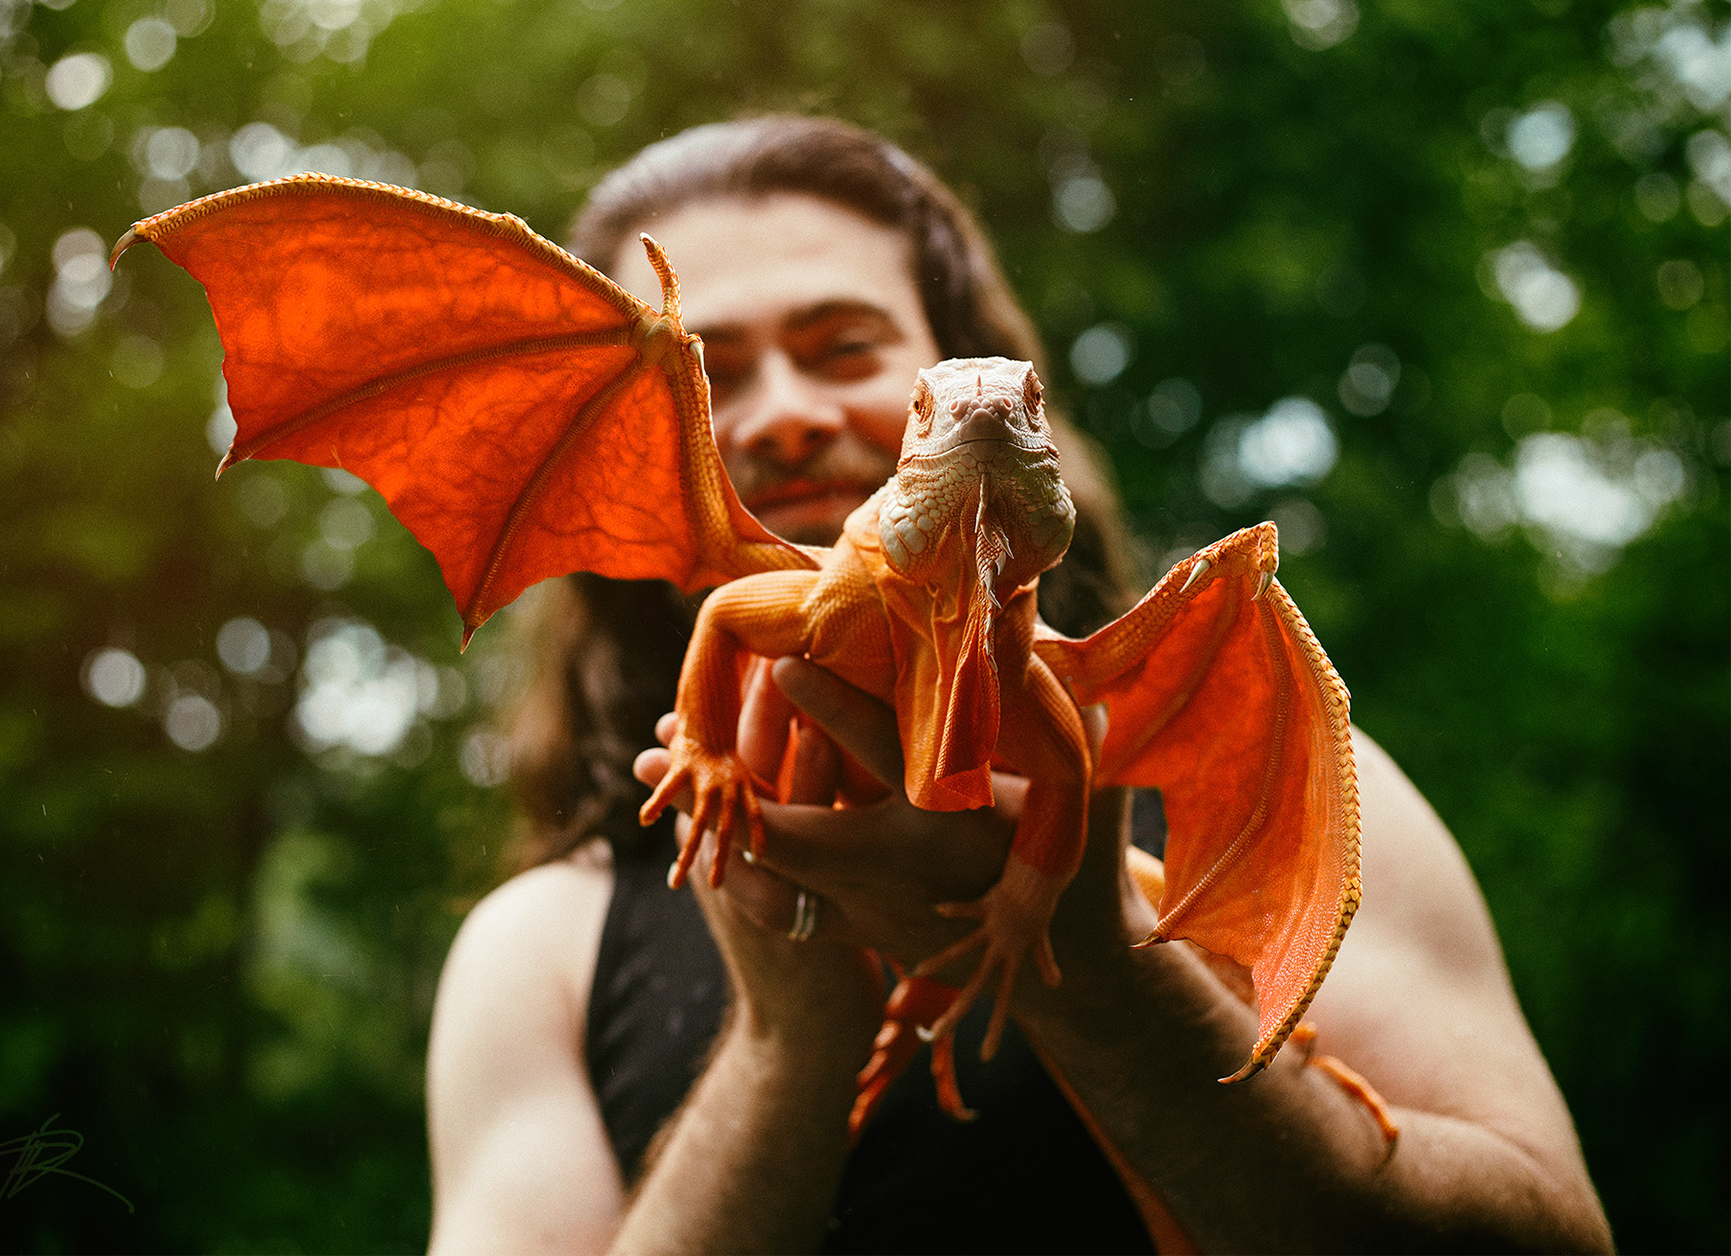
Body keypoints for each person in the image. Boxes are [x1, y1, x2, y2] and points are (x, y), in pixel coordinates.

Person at [423, 117, 1611, 1254]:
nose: (785, 414)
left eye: (846, 346)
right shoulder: (542, 946)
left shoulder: (1278, 770)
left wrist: (1094, 958)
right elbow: (738, 615)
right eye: (707, 371)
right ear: (612, 446)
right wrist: (790, 1037)